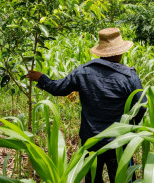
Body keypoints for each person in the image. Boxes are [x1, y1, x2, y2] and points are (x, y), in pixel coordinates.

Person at [27, 28, 147, 183]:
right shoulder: (129, 76)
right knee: (122, 179)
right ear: (120, 52)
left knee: (92, 179)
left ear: (101, 52)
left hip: (91, 140)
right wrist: (130, 127)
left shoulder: (83, 71)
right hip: (119, 141)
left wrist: (42, 78)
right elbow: (141, 106)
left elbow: (58, 89)